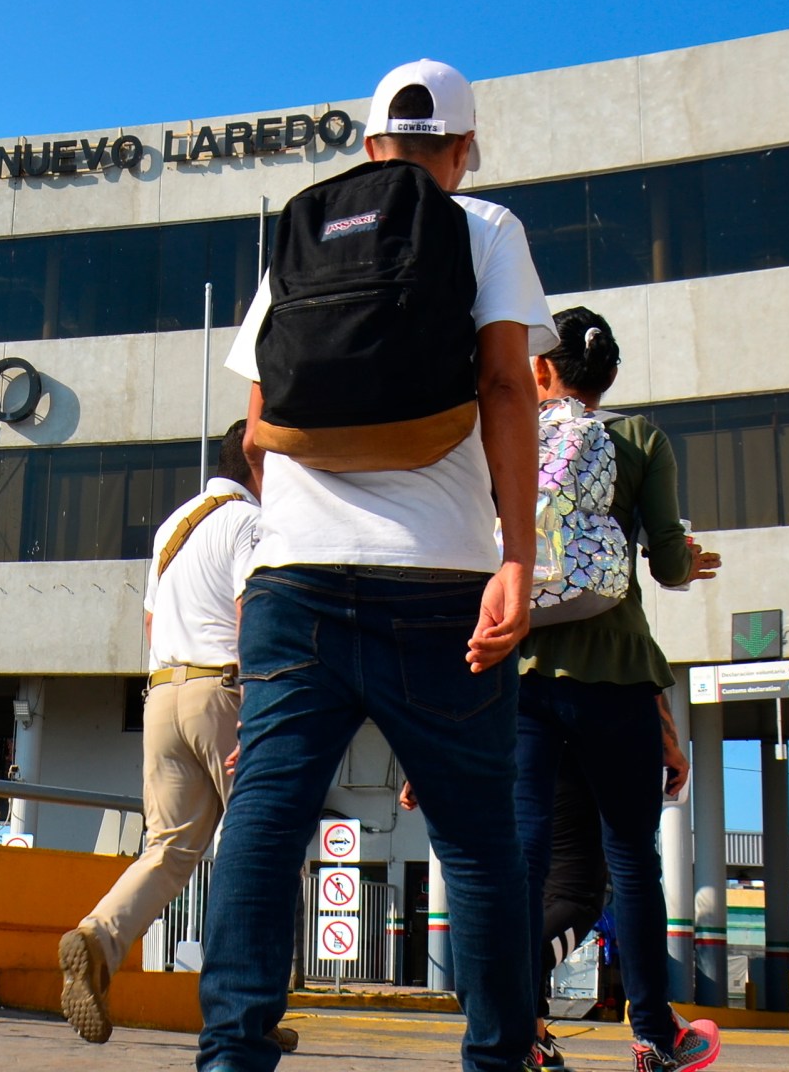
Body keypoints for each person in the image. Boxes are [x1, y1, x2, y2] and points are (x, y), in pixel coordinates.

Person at [202, 59, 553, 1072]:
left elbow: (261, 424)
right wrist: (517, 557)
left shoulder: (302, 236)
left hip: (292, 580)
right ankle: (497, 1059)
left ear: (367, 148)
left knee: (264, 821)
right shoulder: (485, 229)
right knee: (478, 840)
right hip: (438, 579)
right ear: (464, 149)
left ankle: (230, 1055)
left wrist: (283, 552)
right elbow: (504, 386)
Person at [512, 306, 721, 1072]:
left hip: (525, 676)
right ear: (610, 377)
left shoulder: (506, 436)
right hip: (618, 677)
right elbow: (664, 566)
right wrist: (687, 560)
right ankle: (656, 1037)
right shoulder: (638, 440)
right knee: (631, 859)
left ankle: (520, 1030)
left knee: (527, 855)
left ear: (541, 369)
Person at [60, 421, 265, 1043]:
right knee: (262, 846)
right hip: (224, 691)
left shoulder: (175, 526)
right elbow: (250, 610)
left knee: (169, 850)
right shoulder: (249, 523)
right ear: (258, 461)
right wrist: (257, 707)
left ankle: (97, 938)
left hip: (162, 692)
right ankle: (250, 1005)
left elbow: (151, 622)